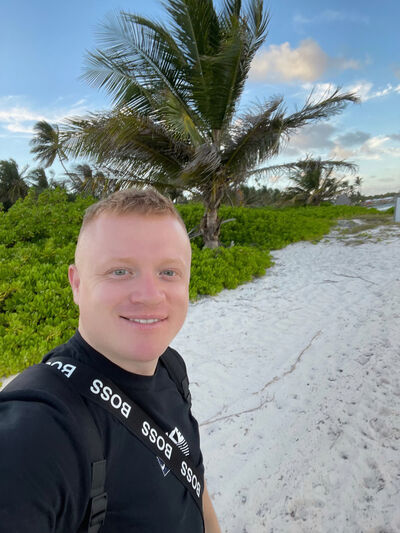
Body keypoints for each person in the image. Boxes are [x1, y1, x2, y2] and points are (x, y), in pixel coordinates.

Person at [0, 187, 222, 533]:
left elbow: (193, 476)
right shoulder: (40, 428)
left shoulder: (171, 366)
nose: (150, 295)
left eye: (168, 272)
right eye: (120, 271)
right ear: (76, 284)